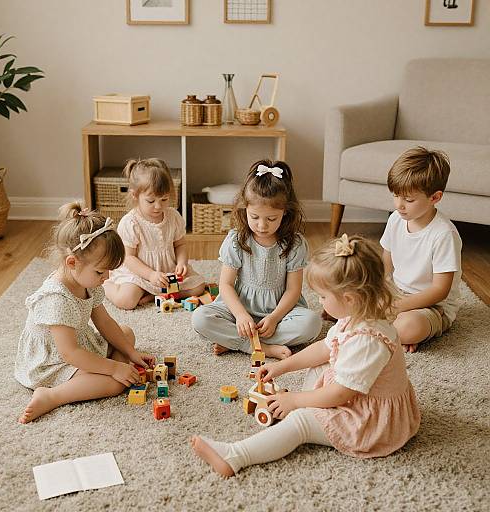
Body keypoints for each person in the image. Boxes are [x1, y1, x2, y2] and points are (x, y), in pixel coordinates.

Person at [191, 234, 421, 476]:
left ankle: (234, 456)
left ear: (350, 298)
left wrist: (297, 401)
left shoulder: (368, 341)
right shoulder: (355, 315)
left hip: (368, 422)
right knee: (321, 366)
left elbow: (341, 393)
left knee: (300, 422)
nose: (319, 301)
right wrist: (283, 366)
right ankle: (307, 405)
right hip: (356, 393)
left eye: (323, 296)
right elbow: (324, 349)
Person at [15, 203, 155, 424]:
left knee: (126, 333)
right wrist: (114, 368)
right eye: (101, 271)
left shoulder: (88, 280)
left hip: (79, 342)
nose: (107, 277)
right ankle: (51, 396)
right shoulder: (56, 299)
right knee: (114, 384)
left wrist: (129, 353)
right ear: (72, 262)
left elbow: (104, 321)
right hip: (54, 360)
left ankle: (117, 364)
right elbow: (70, 353)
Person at [192, 159, 322, 360]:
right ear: (245, 209)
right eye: (255, 217)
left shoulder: (295, 244)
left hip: (279, 311)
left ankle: (237, 341)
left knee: (312, 323)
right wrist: (241, 315)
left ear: (285, 212)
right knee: (200, 319)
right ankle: (258, 346)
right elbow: (225, 285)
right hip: (239, 307)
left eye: (271, 219)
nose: (262, 225)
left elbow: (293, 290)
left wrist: (274, 317)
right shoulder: (237, 240)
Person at [381, 146, 462, 353]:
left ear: (435, 197)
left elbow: (439, 291)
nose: (399, 205)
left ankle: (397, 331)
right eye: (395, 196)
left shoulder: (443, 234)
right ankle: (392, 331)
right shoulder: (395, 219)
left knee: (408, 326)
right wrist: (377, 293)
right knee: (342, 297)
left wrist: (397, 307)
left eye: (408, 200)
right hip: (397, 293)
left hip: (433, 305)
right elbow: (385, 265)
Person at [104, 158, 205, 309]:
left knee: (199, 287)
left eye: (164, 199)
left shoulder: (173, 217)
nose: (158, 206)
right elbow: (128, 257)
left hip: (167, 271)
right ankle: (106, 285)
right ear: (135, 196)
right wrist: (150, 275)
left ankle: (155, 294)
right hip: (139, 273)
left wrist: (182, 262)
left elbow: (180, 244)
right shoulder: (131, 222)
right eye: (151, 201)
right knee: (126, 300)